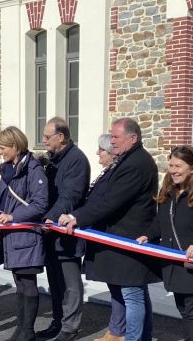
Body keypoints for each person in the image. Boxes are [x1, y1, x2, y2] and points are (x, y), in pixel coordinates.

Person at [59, 118, 160, 341]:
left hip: (129, 239)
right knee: (133, 293)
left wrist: (77, 217)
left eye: (115, 137)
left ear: (132, 138)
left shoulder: (136, 164)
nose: (111, 141)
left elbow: (111, 201)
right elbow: (104, 197)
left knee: (133, 295)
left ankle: (135, 339)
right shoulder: (129, 160)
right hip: (119, 237)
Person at [136, 145, 193, 341]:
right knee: (186, 311)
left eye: (178, 166)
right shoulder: (167, 192)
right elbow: (160, 222)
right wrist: (147, 235)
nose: (173, 170)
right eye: (171, 165)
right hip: (173, 265)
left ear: (192, 168)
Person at [0, 126, 48, 341]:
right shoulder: (9, 168)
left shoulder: (34, 170)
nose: (0, 151)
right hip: (12, 237)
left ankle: (27, 331)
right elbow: (2, 195)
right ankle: (21, 329)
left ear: (15, 146)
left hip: (27, 236)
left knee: (28, 283)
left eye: (3, 147)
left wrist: (13, 217)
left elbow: (40, 204)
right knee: (19, 283)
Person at [37, 117, 90, 341]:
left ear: (61, 137)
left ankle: (70, 328)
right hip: (49, 231)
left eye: (47, 137)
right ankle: (58, 322)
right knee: (55, 283)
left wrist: (49, 218)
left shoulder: (76, 160)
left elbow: (71, 195)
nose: (44, 140)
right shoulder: (53, 160)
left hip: (65, 233)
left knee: (70, 284)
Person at [81, 135, 123, 341]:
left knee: (118, 287)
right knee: (114, 286)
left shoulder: (114, 175)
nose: (97, 153)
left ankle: (117, 332)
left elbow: (103, 205)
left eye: (101, 150)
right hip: (99, 235)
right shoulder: (106, 173)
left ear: (112, 153)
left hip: (110, 237)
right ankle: (115, 330)